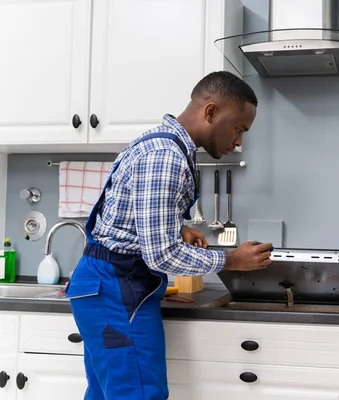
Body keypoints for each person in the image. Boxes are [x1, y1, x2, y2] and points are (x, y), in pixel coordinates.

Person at [65, 71, 273, 399]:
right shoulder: (166, 156)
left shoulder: (162, 142)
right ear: (211, 112)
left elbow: (127, 219)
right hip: (116, 292)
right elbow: (161, 255)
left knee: (109, 394)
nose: (238, 142)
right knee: (139, 394)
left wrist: (177, 228)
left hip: (108, 289)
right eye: (238, 129)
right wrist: (232, 259)